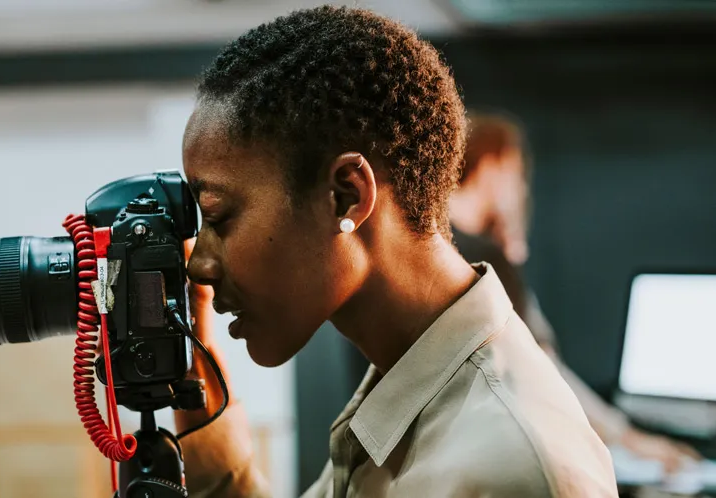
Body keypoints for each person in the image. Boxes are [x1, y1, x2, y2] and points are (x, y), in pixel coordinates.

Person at [176, 7, 617, 497]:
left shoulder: (505, 469)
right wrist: (194, 387)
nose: (199, 263)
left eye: (217, 217)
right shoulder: (410, 387)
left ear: (346, 196)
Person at [449, 112, 703, 474]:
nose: (523, 191)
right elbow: (541, 370)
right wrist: (632, 440)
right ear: (493, 166)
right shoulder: (484, 260)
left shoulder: (436, 248)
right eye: (518, 176)